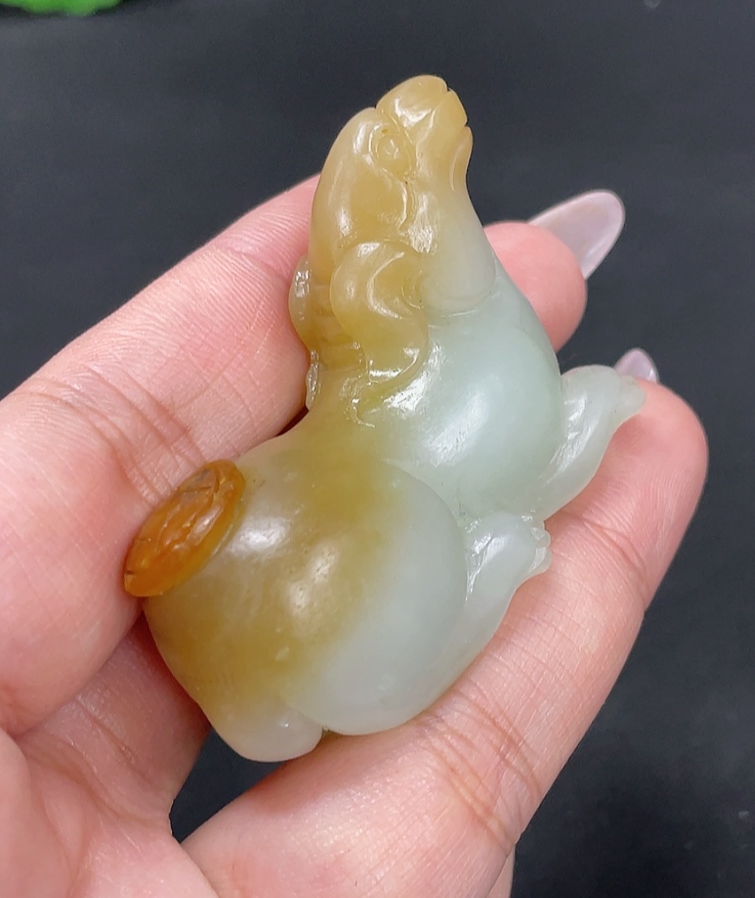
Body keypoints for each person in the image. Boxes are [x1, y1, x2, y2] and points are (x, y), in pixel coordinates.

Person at [0, 181, 707, 897]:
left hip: (279, 579)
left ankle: (458, 586)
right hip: (290, 585)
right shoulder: (409, 388)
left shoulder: (401, 376)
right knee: (430, 521)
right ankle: (467, 590)